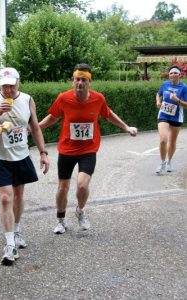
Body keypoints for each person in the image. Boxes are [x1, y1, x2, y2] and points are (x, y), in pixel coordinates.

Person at [39, 63, 137, 234]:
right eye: (77, 79)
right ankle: (61, 220)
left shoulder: (98, 99)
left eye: (84, 80)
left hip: (88, 150)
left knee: (82, 185)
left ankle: (80, 210)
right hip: (67, 150)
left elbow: (108, 114)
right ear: (72, 81)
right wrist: (36, 127)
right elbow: (53, 117)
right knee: (63, 187)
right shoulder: (63, 98)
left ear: (89, 82)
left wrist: (126, 127)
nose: (80, 83)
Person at [0, 67, 50, 265]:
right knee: (5, 197)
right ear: (0, 85)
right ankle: (9, 244)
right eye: (4, 86)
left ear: (18, 83)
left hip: (22, 155)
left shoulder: (27, 99)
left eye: (11, 86)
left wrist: (43, 153)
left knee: (18, 196)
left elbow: (35, 127)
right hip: (0, 157)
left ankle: (16, 231)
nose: (8, 90)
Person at [155, 65, 187, 175]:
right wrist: (158, 102)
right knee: (163, 139)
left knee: (172, 142)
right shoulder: (165, 84)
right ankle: (162, 162)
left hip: (177, 117)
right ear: (169, 76)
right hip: (163, 115)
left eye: (175, 73)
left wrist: (177, 100)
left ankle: (169, 161)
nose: (173, 75)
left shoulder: (184, 87)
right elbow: (158, 94)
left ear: (179, 75)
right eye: (171, 73)